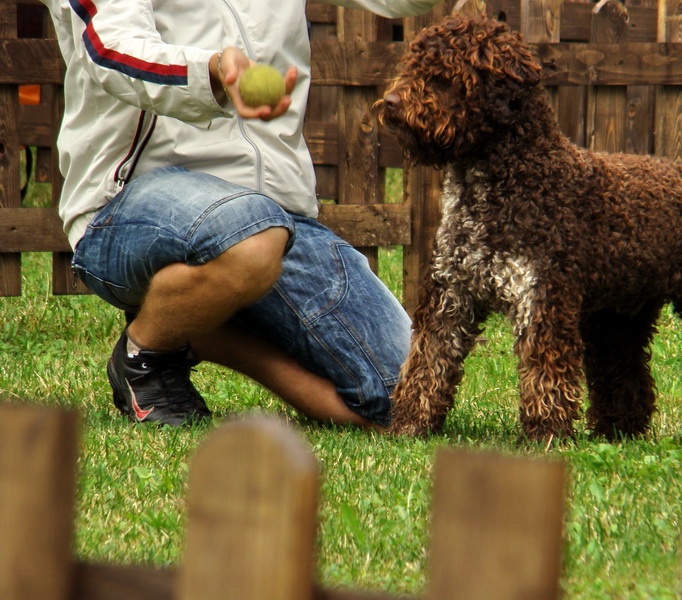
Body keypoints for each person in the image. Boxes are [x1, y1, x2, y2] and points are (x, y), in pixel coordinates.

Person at [40, 0, 440, 428]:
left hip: (277, 218)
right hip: (130, 204)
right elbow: (112, 50)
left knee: (405, 399)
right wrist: (211, 70)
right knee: (250, 234)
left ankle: (204, 332)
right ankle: (146, 353)